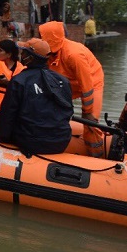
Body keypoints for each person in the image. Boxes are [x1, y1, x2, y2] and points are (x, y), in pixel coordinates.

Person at [38, 21, 105, 157]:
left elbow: (87, 86)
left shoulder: (74, 54)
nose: (40, 39)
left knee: (90, 124)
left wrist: (87, 112)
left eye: (42, 36)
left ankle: (97, 156)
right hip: (68, 82)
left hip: (92, 82)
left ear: (50, 37)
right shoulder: (48, 52)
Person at [0, 38, 73, 155]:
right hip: (61, 141)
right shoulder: (63, 81)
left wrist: (1, 139)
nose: (21, 55)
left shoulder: (19, 81)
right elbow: (67, 111)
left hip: (30, 142)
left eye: (24, 52)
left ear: (29, 58)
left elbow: (7, 114)